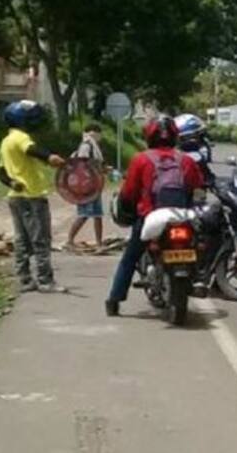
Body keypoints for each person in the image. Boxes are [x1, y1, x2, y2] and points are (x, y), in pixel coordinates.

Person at [105, 115, 205, 317]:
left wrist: (129, 207)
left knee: (129, 258)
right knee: (199, 245)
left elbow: (129, 193)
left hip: (150, 217)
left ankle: (114, 300)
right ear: (175, 136)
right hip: (182, 217)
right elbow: (198, 188)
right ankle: (199, 278)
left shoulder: (141, 159)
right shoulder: (185, 160)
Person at [0, 100, 66, 293]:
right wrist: (50, 157)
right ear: (22, 120)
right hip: (32, 196)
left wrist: (13, 183)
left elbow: (2, 174)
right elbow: (32, 149)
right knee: (40, 239)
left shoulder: (5, 142)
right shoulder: (21, 137)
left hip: (15, 197)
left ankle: (25, 279)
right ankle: (45, 281)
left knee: (22, 240)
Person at [66, 122, 108, 249]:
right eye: (98, 133)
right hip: (86, 186)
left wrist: (102, 169)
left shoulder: (93, 147)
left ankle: (99, 242)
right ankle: (70, 240)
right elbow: (82, 164)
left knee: (97, 215)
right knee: (84, 214)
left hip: (95, 185)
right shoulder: (86, 146)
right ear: (93, 133)